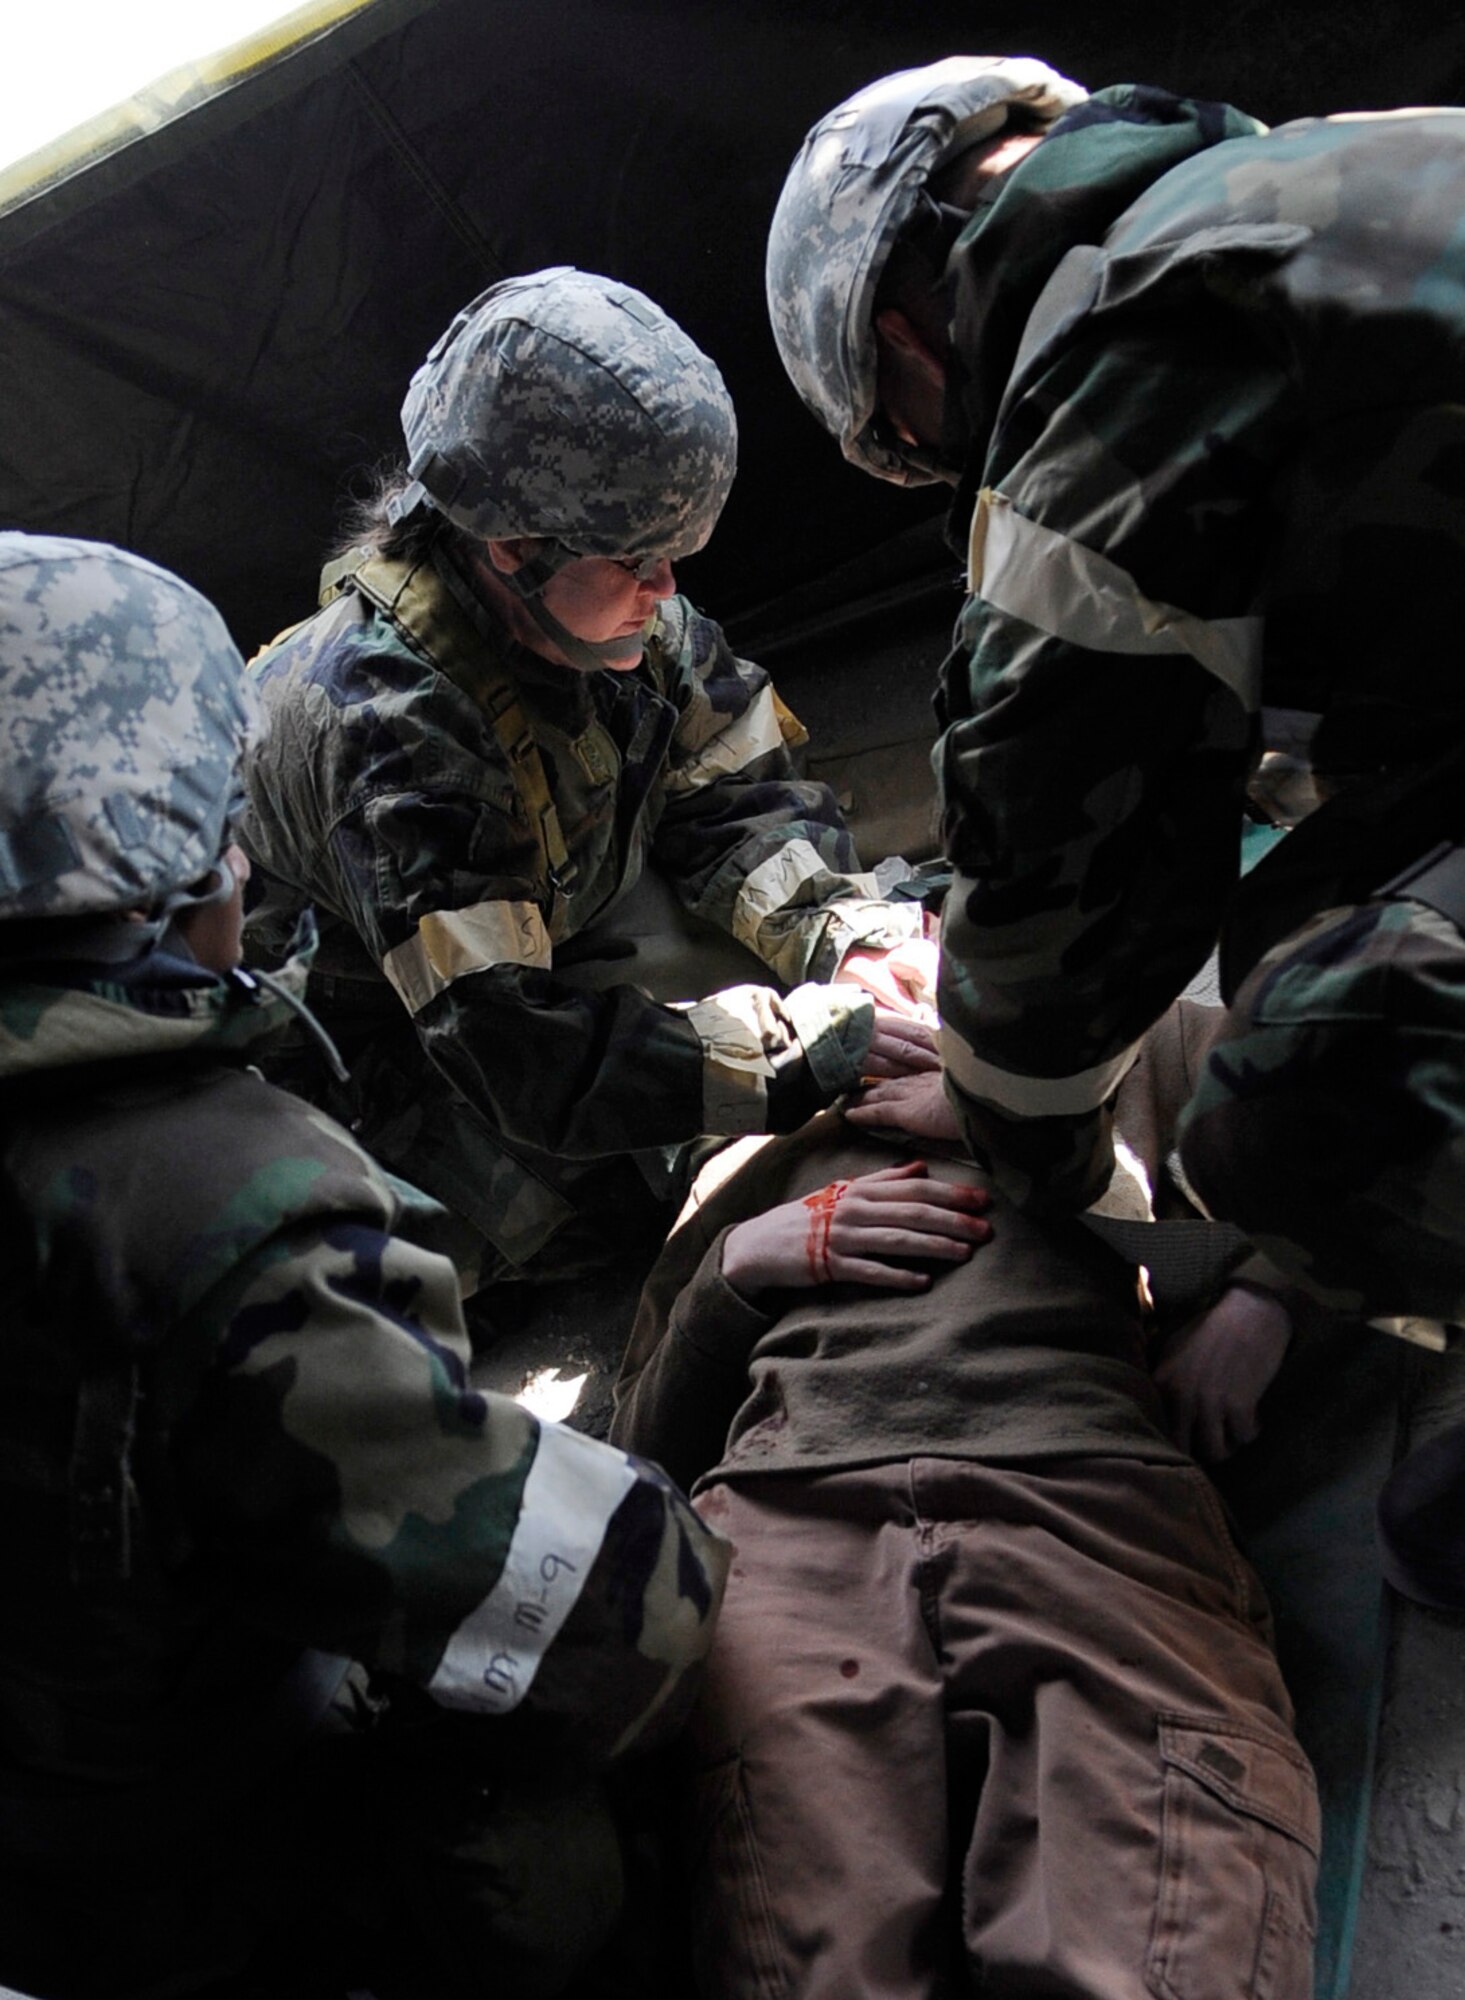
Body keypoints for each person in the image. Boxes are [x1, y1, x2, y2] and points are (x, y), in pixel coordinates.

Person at [0, 532, 730, 2000]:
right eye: (222, 824)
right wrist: (729, 1292)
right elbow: (620, 1614)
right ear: (168, 879)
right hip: (147, 1883)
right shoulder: (217, 1208)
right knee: (550, 1865)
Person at [765, 57, 1465, 1329]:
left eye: (915, 447)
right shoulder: (1333, 163)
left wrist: (1023, 1138)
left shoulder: (1112, 370)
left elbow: (1058, 890)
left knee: (1312, 1083)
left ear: (905, 343)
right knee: (1308, 895)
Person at [242, 265, 935, 1307]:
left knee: (803, 998)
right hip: (373, 1046)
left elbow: (729, 790)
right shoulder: (393, 734)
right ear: (511, 547)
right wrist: (800, 1053)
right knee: (451, 1255)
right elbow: (517, 1052)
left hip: (543, 921)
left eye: (674, 554)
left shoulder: (606, 607)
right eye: (638, 559)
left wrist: (849, 938)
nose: (666, 589)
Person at [610, 997, 1316, 2000]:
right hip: (788, 1512)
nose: (888, 987)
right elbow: (636, 1461)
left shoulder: (1130, 1040)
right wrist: (737, 1268)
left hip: (1087, 1493)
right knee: (811, 1960)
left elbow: (1362, 1131)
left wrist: (1259, 1295)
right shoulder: (751, 1142)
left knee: (1158, 1951)